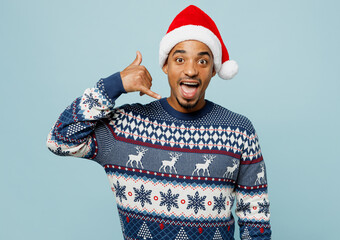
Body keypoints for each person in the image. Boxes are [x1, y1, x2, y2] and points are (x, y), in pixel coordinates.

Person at [47, 5, 271, 240]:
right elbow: (59, 139)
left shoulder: (239, 131)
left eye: (202, 62)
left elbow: (255, 221)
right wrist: (114, 85)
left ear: (213, 70)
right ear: (166, 66)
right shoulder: (125, 127)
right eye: (180, 59)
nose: (191, 70)